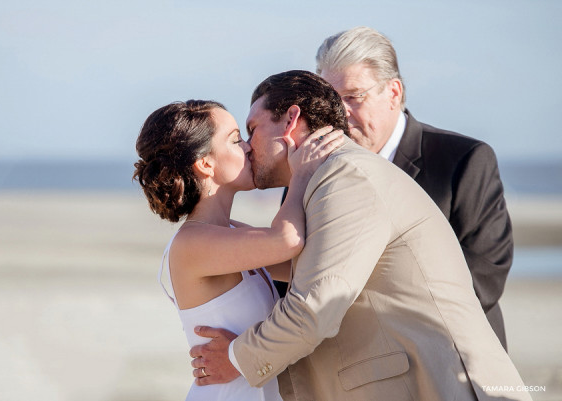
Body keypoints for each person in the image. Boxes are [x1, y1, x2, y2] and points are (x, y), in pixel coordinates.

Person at [189, 70, 530, 400]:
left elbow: (313, 309)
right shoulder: (327, 180)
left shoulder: (346, 177)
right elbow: (291, 263)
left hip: (436, 386)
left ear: (291, 119)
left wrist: (235, 358)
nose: (248, 146)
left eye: (253, 129)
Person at [311, 26, 513, 349]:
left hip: (453, 366)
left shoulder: (464, 161)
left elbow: (484, 278)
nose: (340, 113)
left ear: (393, 93)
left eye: (353, 97)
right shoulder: (312, 169)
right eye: (332, 101)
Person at [133, 99, 344, 401]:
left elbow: (305, 265)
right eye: (235, 140)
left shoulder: (231, 233)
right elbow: (288, 240)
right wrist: (302, 173)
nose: (248, 147)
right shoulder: (189, 244)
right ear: (205, 163)